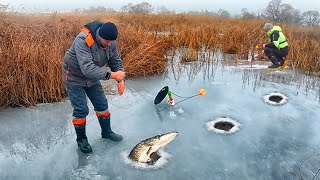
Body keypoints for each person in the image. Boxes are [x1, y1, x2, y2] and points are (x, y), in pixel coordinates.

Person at [62, 20, 126, 153]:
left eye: (112, 42)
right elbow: (87, 69)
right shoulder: (83, 39)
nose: (110, 44)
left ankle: (107, 132)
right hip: (74, 77)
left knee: (102, 104)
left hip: (92, 77)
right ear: (99, 36)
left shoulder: (111, 42)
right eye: (107, 41)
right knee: (81, 110)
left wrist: (121, 80)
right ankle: (82, 140)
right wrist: (113, 76)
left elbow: (116, 61)